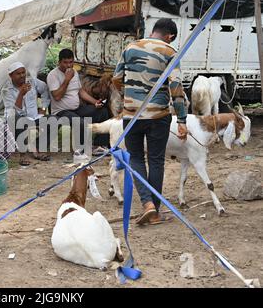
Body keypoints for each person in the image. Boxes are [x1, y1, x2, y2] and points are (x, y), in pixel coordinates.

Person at [112, 18, 188, 226]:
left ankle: (147, 205)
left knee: (135, 157)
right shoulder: (170, 52)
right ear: (170, 36)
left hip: (131, 115)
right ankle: (154, 209)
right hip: (158, 116)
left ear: (154, 31)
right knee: (155, 160)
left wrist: (129, 97)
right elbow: (176, 88)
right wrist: (181, 120)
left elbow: (116, 78)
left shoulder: (130, 47)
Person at [47, 49, 110, 156]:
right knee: (79, 122)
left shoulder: (74, 72)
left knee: (103, 112)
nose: (68, 65)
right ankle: (81, 150)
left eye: (71, 62)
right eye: (65, 62)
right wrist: (67, 80)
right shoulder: (53, 75)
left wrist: (95, 102)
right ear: (59, 62)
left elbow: (80, 91)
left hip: (76, 109)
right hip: (61, 111)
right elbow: (57, 96)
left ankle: (99, 145)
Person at [2, 62, 51, 166]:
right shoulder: (7, 90)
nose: (22, 76)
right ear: (11, 76)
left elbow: (45, 89)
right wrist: (21, 94)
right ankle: (23, 154)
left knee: (53, 120)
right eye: (18, 74)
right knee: (20, 120)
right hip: (15, 119)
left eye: (23, 72)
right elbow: (16, 112)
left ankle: (38, 147)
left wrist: (43, 108)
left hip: (34, 117)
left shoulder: (32, 82)